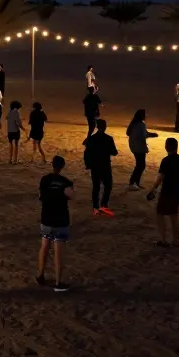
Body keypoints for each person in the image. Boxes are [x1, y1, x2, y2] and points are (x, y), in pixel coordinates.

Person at [37, 155, 74, 292]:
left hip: (46, 218)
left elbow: (40, 196)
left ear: (52, 165)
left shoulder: (44, 179)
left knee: (44, 246)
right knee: (58, 252)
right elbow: (71, 196)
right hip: (60, 219)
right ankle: (58, 283)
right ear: (62, 166)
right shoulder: (65, 181)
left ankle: (40, 275)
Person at [147, 137, 179, 247]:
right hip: (178, 189)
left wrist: (152, 189)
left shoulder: (166, 161)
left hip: (167, 190)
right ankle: (176, 240)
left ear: (166, 147)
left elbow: (160, 177)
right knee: (174, 215)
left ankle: (162, 239)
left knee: (160, 214)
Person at [83, 119, 118, 216]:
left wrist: (88, 165)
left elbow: (86, 153)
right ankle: (104, 204)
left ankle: (95, 207)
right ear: (105, 127)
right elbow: (114, 152)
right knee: (108, 186)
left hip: (95, 166)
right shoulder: (109, 138)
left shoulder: (92, 138)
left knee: (96, 187)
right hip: (105, 165)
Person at [126, 109, 158, 190]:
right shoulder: (140, 125)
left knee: (140, 165)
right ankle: (133, 182)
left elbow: (143, 133)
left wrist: (151, 134)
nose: (146, 116)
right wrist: (152, 135)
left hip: (134, 146)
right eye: (145, 115)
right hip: (139, 147)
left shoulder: (134, 123)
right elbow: (143, 135)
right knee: (140, 166)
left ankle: (135, 182)